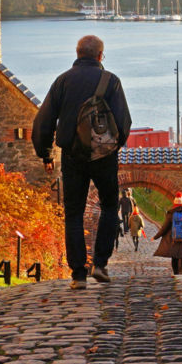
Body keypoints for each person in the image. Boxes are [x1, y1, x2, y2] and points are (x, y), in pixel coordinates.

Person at [31, 34, 131, 288]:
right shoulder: (111, 81)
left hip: (73, 156)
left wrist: (45, 154)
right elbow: (124, 122)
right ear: (100, 56)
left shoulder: (63, 81)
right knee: (110, 207)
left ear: (77, 54)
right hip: (104, 156)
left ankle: (78, 275)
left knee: (74, 212)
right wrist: (112, 146)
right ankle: (100, 263)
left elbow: (43, 121)